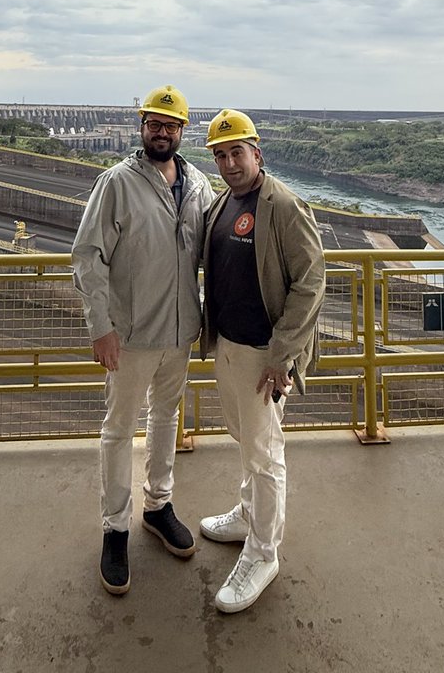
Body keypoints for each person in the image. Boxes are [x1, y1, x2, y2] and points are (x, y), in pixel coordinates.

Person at [72, 84, 214, 595]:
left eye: (170, 125)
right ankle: (115, 527)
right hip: (129, 336)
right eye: (153, 122)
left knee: (166, 418)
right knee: (117, 430)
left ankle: (158, 506)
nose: (161, 131)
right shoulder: (116, 183)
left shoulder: (197, 184)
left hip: (179, 333)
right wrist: (101, 328)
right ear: (142, 127)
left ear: (182, 131)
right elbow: (88, 257)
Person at [199, 108, 325, 613]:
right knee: (247, 441)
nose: (230, 163)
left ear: (258, 154)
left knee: (266, 454)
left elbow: (311, 284)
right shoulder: (222, 203)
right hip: (228, 346)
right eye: (221, 155)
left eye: (238, 153)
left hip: (264, 356)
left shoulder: (286, 207)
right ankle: (249, 515)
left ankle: (263, 553)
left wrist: (282, 357)